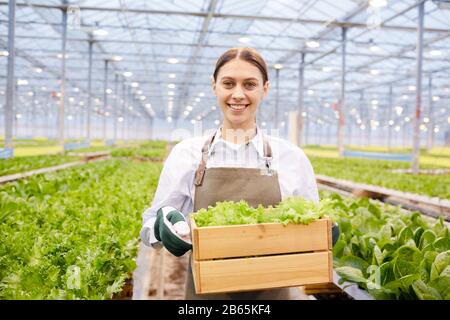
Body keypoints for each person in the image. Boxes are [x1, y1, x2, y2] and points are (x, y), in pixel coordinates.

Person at [140, 47, 337, 300]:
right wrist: (161, 228)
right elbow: (149, 228)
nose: (238, 94)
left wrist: (321, 234)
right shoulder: (186, 154)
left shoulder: (291, 158)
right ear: (214, 87)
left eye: (250, 84)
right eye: (228, 83)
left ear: (265, 89)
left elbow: (311, 228)